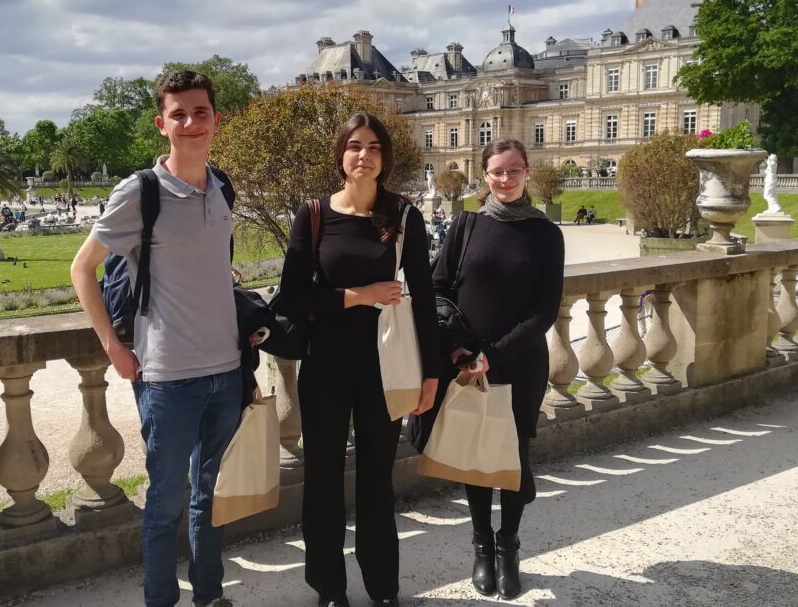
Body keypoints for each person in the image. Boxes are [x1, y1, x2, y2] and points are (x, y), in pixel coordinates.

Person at [70, 70, 242, 607]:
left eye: (200, 112)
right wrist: (114, 349)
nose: (191, 123)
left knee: (210, 499)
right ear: (161, 123)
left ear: (216, 119)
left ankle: (209, 597)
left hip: (227, 369)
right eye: (179, 114)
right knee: (166, 504)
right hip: (167, 376)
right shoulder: (140, 192)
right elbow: (81, 270)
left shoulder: (221, 185)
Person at [275, 112, 439, 607]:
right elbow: (291, 298)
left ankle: (383, 587)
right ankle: (328, 588)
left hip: (384, 367)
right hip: (325, 366)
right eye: (354, 146)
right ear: (341, 155)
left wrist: (431, 371)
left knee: (376, 480)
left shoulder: (404, 217)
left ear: (384, 157)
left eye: (373, 146)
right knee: (322, 480)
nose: (363, 155)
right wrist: (356, 295)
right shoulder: (314, 214)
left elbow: (427, 299)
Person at [432, 138, 564, 600]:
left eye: (513, 171)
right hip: (467, 362)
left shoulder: (545, 234)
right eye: (496, 172)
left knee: (512, 461)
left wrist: (496, 352)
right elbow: (439, 289)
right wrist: (461, 349)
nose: (504, 180)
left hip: (520, 361)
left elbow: (544, 310)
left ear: (527, 172)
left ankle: (508, 548)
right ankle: (481, 547)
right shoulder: (466, 226)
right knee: (475, 459)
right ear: (483, 176)